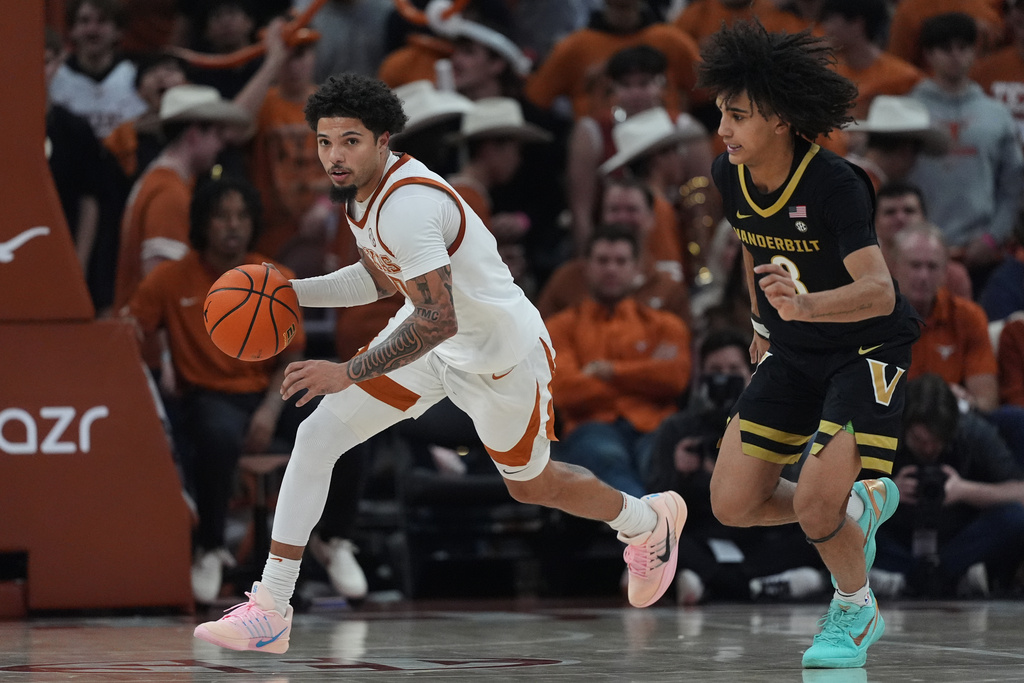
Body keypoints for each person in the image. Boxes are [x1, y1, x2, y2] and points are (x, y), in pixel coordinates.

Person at [194, 73, 689, 653]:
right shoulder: (363, 193)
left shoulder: (409, 206)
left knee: (533, 486)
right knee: (317, 434)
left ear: (383, 140)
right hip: (431, 347)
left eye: (349, 141)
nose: (334, 155)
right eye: (325, 141)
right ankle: (272, 607)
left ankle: (645, 523)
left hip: (499, 358)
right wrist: (289, 291)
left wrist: (347, 372)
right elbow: (381, 278)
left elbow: (438, 318)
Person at [699, 21, 921, 669]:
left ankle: (855, 605)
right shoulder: (730, 173)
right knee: (731, 502)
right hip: (795, 345)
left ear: (779, 119)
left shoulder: (835, 184)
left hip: (867, 348)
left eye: (736, 116)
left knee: (813, 502)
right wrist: (765, 324)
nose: (723, 130)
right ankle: (859, 505)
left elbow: (880, 292)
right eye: (720, 114)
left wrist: (805, 306)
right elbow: (750, 240)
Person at [121, 178, 312, 603]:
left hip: (268, 393)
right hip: (207, 397)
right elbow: (126, 332)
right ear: (202, 224)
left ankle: (333, 537)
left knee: (344, 412)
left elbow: (290, 358)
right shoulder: (171, 280)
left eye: (242, 216)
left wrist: (269, 411)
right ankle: (208, 546)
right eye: (222, 216)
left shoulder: (278, 278)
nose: (233, 226)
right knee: (216, 434)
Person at [647, 327, 826, 605]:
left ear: (750, 374)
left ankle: (709, 584)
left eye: (733, 369)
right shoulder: (677, 428)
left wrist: (732, 477)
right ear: (701, 376)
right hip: (702, 535)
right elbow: (655, 504)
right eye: (715, 369)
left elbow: (791, 492)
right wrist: (680, 475)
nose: (723, 377)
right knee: (655, 541)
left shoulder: (775, 425)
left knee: (812, 540)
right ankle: (756, 587)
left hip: (760, 537)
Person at [547, 224, 692, 499]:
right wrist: (645, 376)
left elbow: (675, 379)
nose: (611, 269)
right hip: (590, 426)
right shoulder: (558, 328)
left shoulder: (666, 326)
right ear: (586, 267)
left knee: (662, 459)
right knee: (606, 456)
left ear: (637, 268)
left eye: (621, 261)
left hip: (655, 426)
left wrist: (607, 371)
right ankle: (651, 530)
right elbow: (563, 392)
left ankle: (647, 530)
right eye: (602, 261)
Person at [872, 373, 1024, 598]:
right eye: (919, 440)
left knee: (1014, 517)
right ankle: (938, 577)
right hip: (898, 534)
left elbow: (1019, 491)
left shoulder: (973, 432)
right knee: (845, 520)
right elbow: (842, 497)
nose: (928, 449)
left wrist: (965, 491)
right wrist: (885, 492)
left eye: (936, 442)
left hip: (957, 537)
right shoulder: (882, 435)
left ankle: (920, 577)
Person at [907, 12, 1024, 293]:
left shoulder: (997, 115)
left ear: (974, 52)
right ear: (929, 55)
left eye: (964, 48)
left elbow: (1012, 186)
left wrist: (992, 238)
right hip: (919, 252)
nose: (956, 56)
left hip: (984, 251)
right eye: (946, 49)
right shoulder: (908, 111)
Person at [536, 178, 691, 323]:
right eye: (614, 209)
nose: (622, 217)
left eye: (632, 209)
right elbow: (538, 335)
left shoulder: (669, 288)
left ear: (651, 217)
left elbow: (681, 342)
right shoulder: (567, 280)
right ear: (602, 216)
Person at [48, 0, 147, 141]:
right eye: (84, 21)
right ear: (71, 30)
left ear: (118, 31)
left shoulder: (139, 75)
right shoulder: (54, 77)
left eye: (102, 21)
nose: (92, 30)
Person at [819, 0, 924, 120]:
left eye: (830, 20)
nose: (825, 28)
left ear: (857, 24)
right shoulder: (825, 75)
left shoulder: (905, 78)